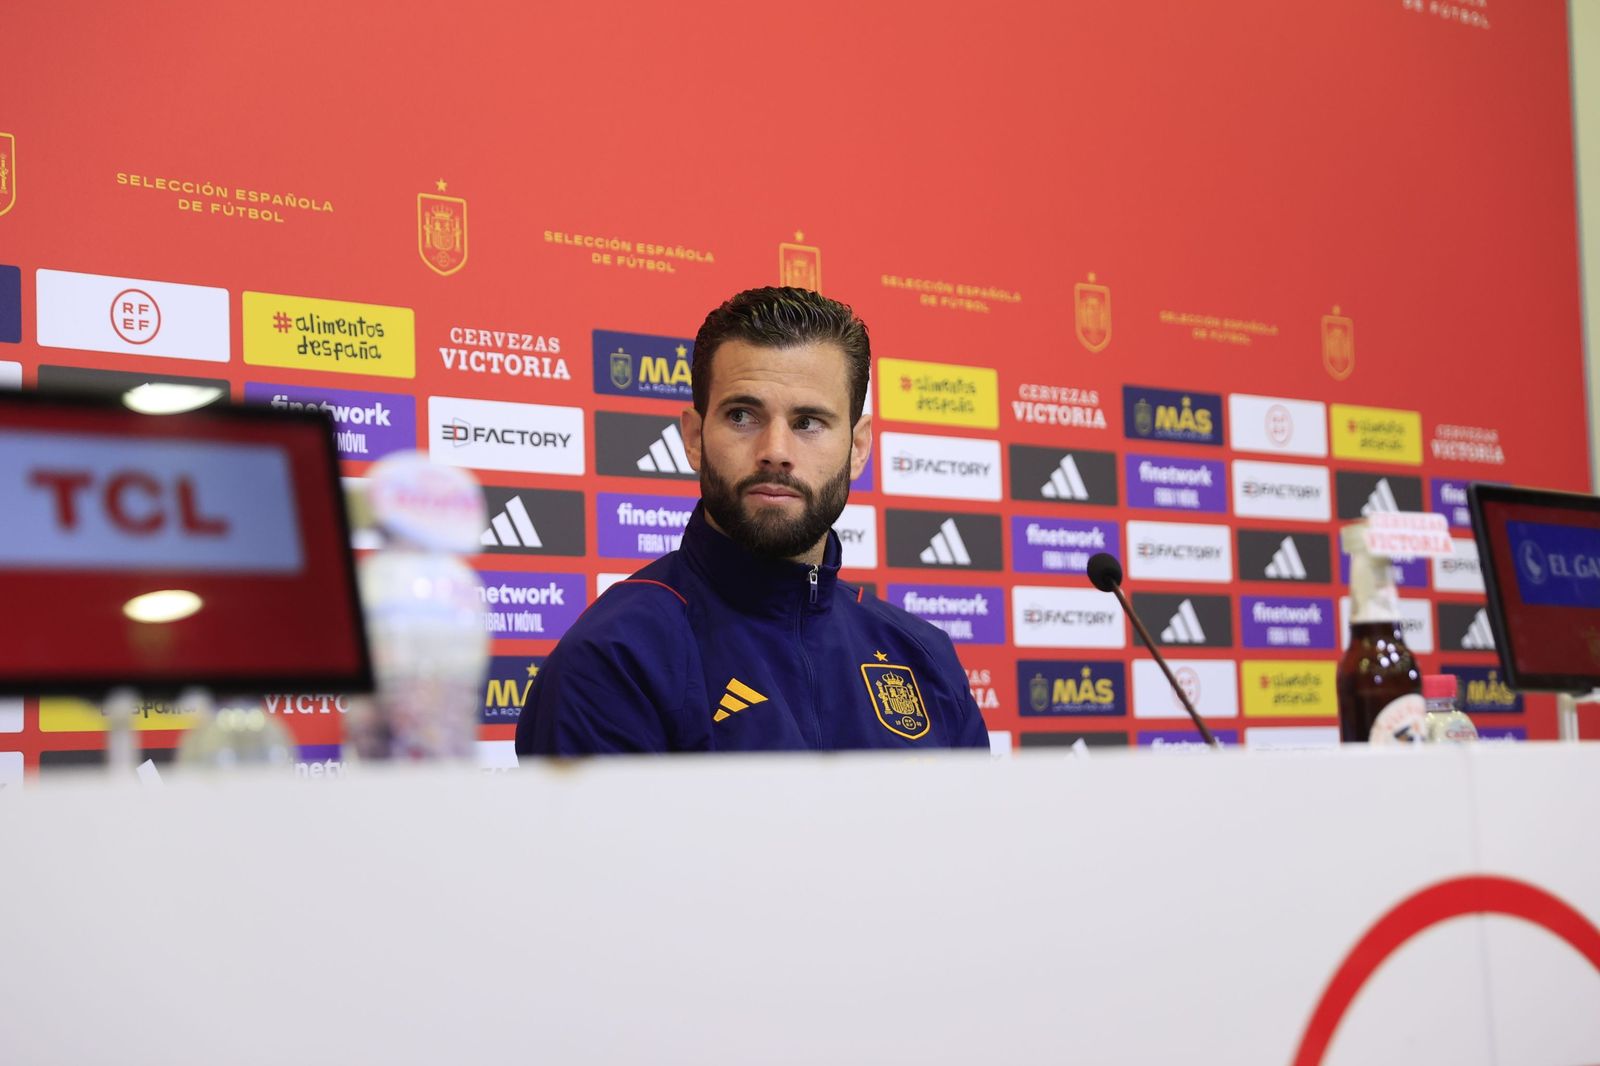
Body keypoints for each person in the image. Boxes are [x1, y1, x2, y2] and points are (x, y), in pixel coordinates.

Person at [516, 286, 990, 754]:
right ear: (695, 437)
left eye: (808, 422)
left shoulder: (922, 656)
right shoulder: (615, 657)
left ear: (858, 446)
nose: (775, 452)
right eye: (742, 415)